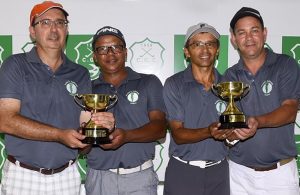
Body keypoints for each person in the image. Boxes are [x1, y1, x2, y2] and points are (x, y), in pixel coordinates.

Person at [0, 1, 114, 195]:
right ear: (32, 31)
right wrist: (59, 135)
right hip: (23, 176)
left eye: (60, 23)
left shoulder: (80, 73)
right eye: (45, 22)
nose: (54, 29)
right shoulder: (15, 65)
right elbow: (5, 120)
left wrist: (99, 128)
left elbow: (84, 133)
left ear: (66, 30)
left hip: (67, 176)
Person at [224, 7, 300, 195]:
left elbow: (290, 111)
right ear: (233, 39)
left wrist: (257, 121)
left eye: (254, 30)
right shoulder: (229, 75)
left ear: (264, 34)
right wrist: (232, 135)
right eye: (242, 32)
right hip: (239, 174)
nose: (249, 38)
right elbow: (231, 126)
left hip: (280, 174)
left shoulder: (285, 64)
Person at [84, 26, 167, 195]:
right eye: (102, 49)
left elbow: (160, 128)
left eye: (116, 47)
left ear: (126, 52)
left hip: (140, 178)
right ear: (94, 56)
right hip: (99, 177)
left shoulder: (148, 82)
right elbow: (81, 145)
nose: (110, 53)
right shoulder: (87, 90)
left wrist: (126, 136)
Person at [163, 23, 232, 195]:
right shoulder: (174, 84)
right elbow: (178, 134)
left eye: (210, 43)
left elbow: (233, 129)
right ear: (186, 51)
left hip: (219, 171)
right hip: (183, 172)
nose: (205, 49)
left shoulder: (229, 86)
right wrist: (209, 131)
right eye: (197, 44)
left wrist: (234, 135)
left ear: (217, 50)